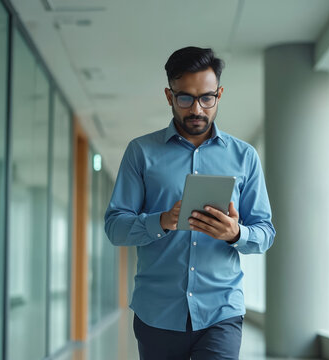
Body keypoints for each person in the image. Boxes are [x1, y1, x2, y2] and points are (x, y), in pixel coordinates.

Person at [104, 46, 275, 360]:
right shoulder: (141, 152)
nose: (197, 109)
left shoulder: (244, 157)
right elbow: (115, 227)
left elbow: (265, 233)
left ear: (219, 94)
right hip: (157, 312)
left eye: (206, 98)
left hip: (220, 311)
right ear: (169, 96)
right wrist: (163, 221)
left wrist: (236, 233)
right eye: (185, 98)